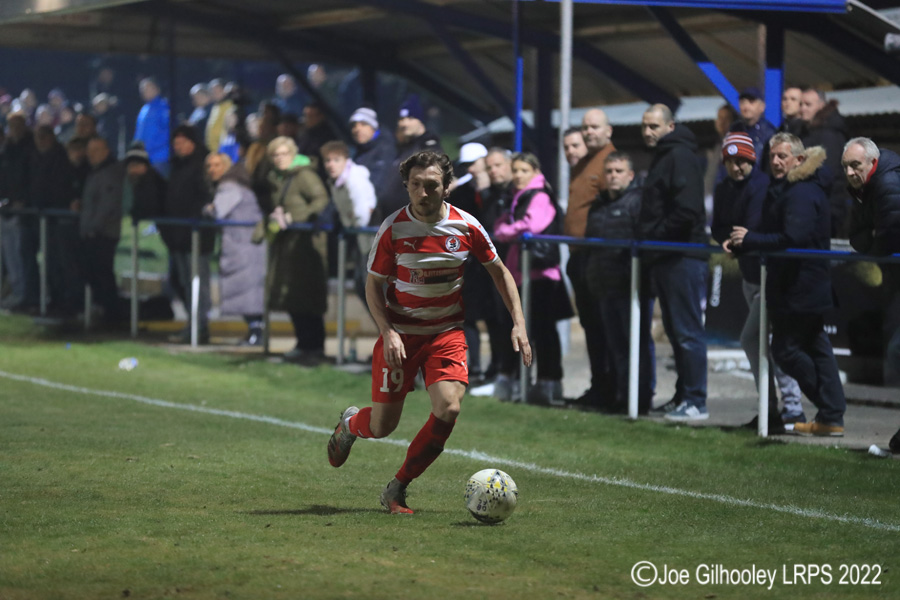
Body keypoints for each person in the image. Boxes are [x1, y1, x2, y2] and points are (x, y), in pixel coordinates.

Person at [326, 150, 532, 514]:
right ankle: (350, 425)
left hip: (446, 333)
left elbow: (500, 272)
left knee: (449, 407)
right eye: (416, 185)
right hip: (401, 335)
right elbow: (373, 287)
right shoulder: (393, 228)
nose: (424, 192)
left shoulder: (467, 227)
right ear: (407, 186)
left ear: (447, 187)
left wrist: (519, 322)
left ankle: (398, 487)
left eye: (432, 185)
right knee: (382, 426)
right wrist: (387, 331)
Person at [730, 133, 847, 436]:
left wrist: (751, 239)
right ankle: (831, 415)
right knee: (815, 346)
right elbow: (778, 232)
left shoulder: (801, 192)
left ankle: (830, 407)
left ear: (799, 159)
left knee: (786, 349)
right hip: (799, 286)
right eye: (772, 156)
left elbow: (793, 238)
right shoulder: (787, 189)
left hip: (800, 287)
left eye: (783, 156)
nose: (777, 161)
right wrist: (744, 244)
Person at [712, 132, 803, 432]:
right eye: (730, 161)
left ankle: (787, 408)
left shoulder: (762, 185)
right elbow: (719, 227)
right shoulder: (724, 187)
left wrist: (737, 240)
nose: (736, 167)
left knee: (756, 340)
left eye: (742, 161)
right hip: (750, 275)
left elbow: (749, 229)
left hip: (768, 276)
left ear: (752, 160)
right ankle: (774, 409)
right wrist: (732, 239)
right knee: (762, 342)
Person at [640, 104, 709, 421]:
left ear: (670, 126)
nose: (648, 132)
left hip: (682, 255)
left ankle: (696, 400)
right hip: (668, 254)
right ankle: (684, 395)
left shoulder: (679, 156)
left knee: (686, 331)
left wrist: (654, 235)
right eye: (645, 126)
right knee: (676, 329)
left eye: (654, 126)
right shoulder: (667, 155)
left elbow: (687, 210)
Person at [494, 152, 572, 406]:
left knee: (543, 330)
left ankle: (549, 381)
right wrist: (505, 230)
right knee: (523, 329)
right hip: (521, 272)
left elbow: (532, 225)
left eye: (524, 170)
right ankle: (522, 380)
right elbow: (502, 225)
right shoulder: (517, 196)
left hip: (541, 273)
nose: (518, 175)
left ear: (535, 173)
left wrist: (507, 231)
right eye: (515, 170)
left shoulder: (539, 196)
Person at [584, 152, 654, 414]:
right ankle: (622, 396)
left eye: (618, 171)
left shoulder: (638, 202)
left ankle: (640, 399)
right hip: (604, 287)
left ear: (630, 175)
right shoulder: (599, 204)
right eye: (609, 171)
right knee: (616, 348)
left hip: (631, 288)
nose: (613, 176)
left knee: (637, 345)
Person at [254, 136, 330, 363]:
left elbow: (321, 200)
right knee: (291, 296)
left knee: (307, 296)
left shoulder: (304, 175)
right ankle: (302, 344)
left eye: (284, 154)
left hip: (306, 246)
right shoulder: (276, 178)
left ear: (293, 154)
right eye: (275, 155)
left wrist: (295, 218)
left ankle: (313, 346)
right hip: (287, 246)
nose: (279, 159)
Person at [567, 109, 617, 408]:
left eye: (595, 127)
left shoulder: (611, 162)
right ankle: (599, 385)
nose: (589, 132)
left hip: (599, 256)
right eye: (585, 127)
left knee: (604, 325)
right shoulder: (584, 162)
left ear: (608, 130)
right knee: (591, 325)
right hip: (579, 255)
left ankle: (611, 390)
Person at [842, 137, 900, 387]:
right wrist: (873, 238)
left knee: (896, 351)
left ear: (873, 162)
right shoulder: (864, 187)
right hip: (894, 276)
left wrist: (874, 241)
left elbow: (888, 240)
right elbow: (855, 235)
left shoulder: (887, 183)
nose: (849, 172)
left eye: (855, 165)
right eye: (845, 166)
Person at [205, 152, 266, 346]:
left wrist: (206, 209)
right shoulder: (239, 184)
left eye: (217, 165)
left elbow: (217, 212)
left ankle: (256, 332)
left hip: (243, 247)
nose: (212, 170)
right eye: (209, 166)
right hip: (247, 246)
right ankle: (255, 331)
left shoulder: (229, 186)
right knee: (249, 292)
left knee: (248, 293)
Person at [161, 124, 213, 343]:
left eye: (182, 142)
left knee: (196, 281)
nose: (178, 147)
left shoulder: (203, 164)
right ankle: (193, 324)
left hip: (196, 235)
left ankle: (199, 326)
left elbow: (205, 196)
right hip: (179, 234)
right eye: (175, 143)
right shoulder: (176, 166)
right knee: (182, 280)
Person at [320, 140, 377, 305]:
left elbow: (363, 213)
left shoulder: (354, 180)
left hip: (372, 240)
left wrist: (353, 221)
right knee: (363, 287)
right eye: (328, 160)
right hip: (362, 240)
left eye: (336, 160)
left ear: (346, 160)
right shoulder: (337, 182)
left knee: (373, 291)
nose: (331, 165)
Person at [79, 136, 125, 323]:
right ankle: (105, 312)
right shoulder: (96, 172)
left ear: (106, 151)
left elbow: (107, 205)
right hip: (95, 231)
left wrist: (92, 227)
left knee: (102, 274)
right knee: (95, 273)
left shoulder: (109, 173)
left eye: (95, 151)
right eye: (89, 151)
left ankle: (111, 315)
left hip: (103, 233)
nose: (91, 155)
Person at [377, 95, 442, 223]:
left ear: (421, 120)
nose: (404, 123)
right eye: (401, 119)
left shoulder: (429, 149)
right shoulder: (404, 149)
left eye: (410, 118)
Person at [799, 88, 849, 237]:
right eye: (801, 104)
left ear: (821, 105)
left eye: (808, 104)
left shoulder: (829, 134)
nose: (802, 109)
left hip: (824, 209)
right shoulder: (808, 131)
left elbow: (830, 173)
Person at [0, 113, 34, 310]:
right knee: (10, 254)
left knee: (20, 254)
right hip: (7, 208)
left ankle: (23, 293)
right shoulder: (8, 149)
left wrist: (23, 200)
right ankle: (16, 291)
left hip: (21, 210)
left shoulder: (27, 148)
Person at [349, 105, 395, 204]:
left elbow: (378, 186)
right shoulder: (360, 150)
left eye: (363, 124)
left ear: (373, 127)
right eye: (354, 125)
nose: (357, 129)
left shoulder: (385, 150)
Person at [729, 87, 776, 171]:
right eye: (742, 102)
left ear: (762, 107)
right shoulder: (734, 129)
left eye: (751, 102)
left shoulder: (770, 132)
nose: (746, 107)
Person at [134, 77, 170, 172]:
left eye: (149, 88)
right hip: (145, 158)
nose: (146, 92)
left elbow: (168, 130)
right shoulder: (144, 109)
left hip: (160, 157)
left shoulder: (164, 107)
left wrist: (155, 147)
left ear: (157, 89)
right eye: (143, 90)